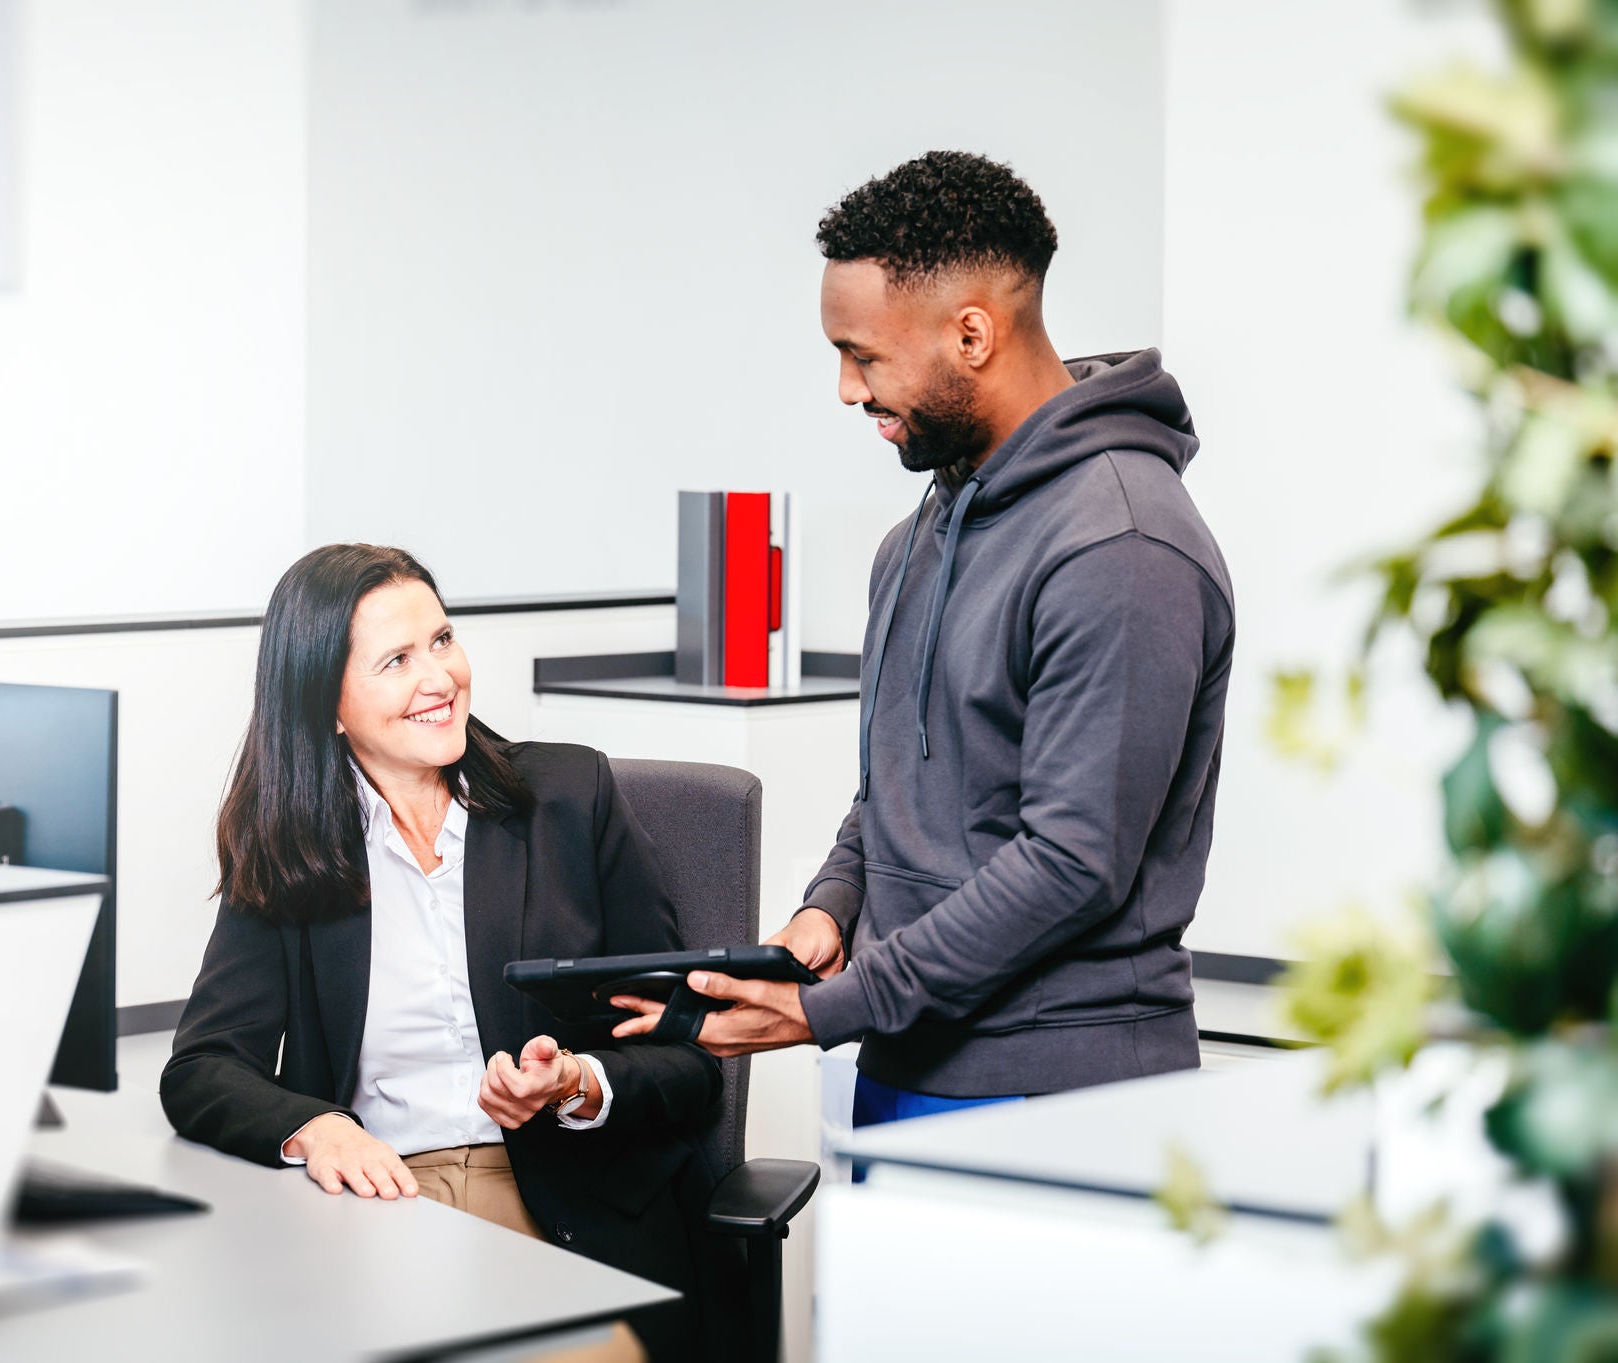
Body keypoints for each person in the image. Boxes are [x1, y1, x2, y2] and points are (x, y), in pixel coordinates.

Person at [615, 151, 1234, 1129]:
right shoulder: (914, 544)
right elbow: (892, 795)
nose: (844, 388)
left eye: (861, 353)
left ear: (972, 334)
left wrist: (825, 1011)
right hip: (908, 1060)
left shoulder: (1119, 545)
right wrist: (831, 907)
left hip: (1060, 1091)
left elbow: (1071, 864)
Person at [162, 543, 729, 1361]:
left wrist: (579, 1081)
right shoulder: (295, 849)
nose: (439, 677)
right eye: (396, 659)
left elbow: (690, 1048)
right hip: (383, 1200)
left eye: (442, 640)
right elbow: (203, 1065)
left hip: (559, 1198)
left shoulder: (571, 798)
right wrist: (320, 1129)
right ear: (328, 703)